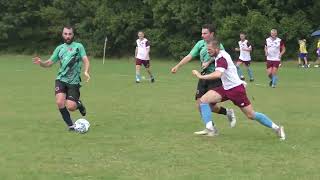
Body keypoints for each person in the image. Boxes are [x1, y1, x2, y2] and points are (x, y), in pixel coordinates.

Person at [191, 39, 285, 140]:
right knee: (203, 100)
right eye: (207, 49)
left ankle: (277, 128)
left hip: (236, 90)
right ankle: (211, 129)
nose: (207, 51)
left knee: (251, 115)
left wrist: (201, 76)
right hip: (226, 88)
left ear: (216, 49)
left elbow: (218, 74)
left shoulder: (221, 58)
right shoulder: (219, 55)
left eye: (209, 49)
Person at [171, 24, 236, 135]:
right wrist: (178, 66)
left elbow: (221, 55)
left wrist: (209, 62)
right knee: (200, 104)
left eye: (205, 33)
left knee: (208, 105)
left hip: (215, 77)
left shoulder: (218, 45)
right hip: (203, 77)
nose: (203, 35)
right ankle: (212, 127)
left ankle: (225, 115)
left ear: (212, 34)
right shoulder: (200, 44)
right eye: (202, 33)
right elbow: (189, 56)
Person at [33, 25, 90, 131]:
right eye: (65, 34)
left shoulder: (79, 46)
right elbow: (49, 63)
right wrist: (41, 63)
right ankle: (71, 126)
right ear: (62, 35)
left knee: (71, 107)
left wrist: (86, 71)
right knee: (59, 102)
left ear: (73, 35)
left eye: (70, 34)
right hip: (61, 80)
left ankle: (79, 104)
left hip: (74, 82)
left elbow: (85, 60)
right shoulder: (59, 49)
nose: (67, 36)